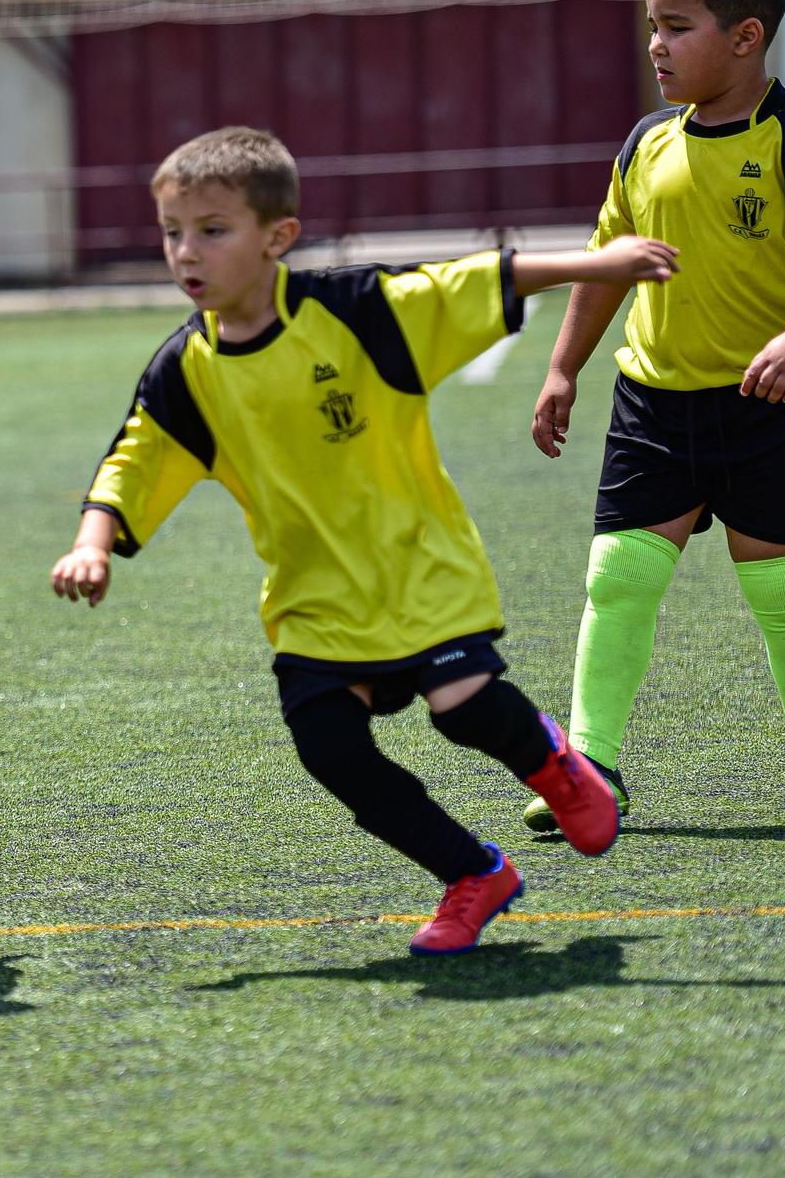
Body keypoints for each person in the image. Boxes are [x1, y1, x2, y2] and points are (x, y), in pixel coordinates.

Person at [51, 127, 674, 954]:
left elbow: (464, 285)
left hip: (420, 572)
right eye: (172, 231)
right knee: (330, 748)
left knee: (463, 711)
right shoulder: (185, 371)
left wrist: (594, 264)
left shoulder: (353, 312)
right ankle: (471, 873)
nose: (184, 252)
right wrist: (94, 541)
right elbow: (132, 461)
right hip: (317, 603)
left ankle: (554, 764)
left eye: (211, 230)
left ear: (278, 238)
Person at [530, 0, 785, 829]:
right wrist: (563, 367)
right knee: (617, 578)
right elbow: (609, 265)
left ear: (745, 35)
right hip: (654, 404)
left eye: (675, 27)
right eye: (651, 26)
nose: (655, 45)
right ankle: (589, 766)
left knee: (783, 593)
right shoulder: (646, 143)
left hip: (773, 408)